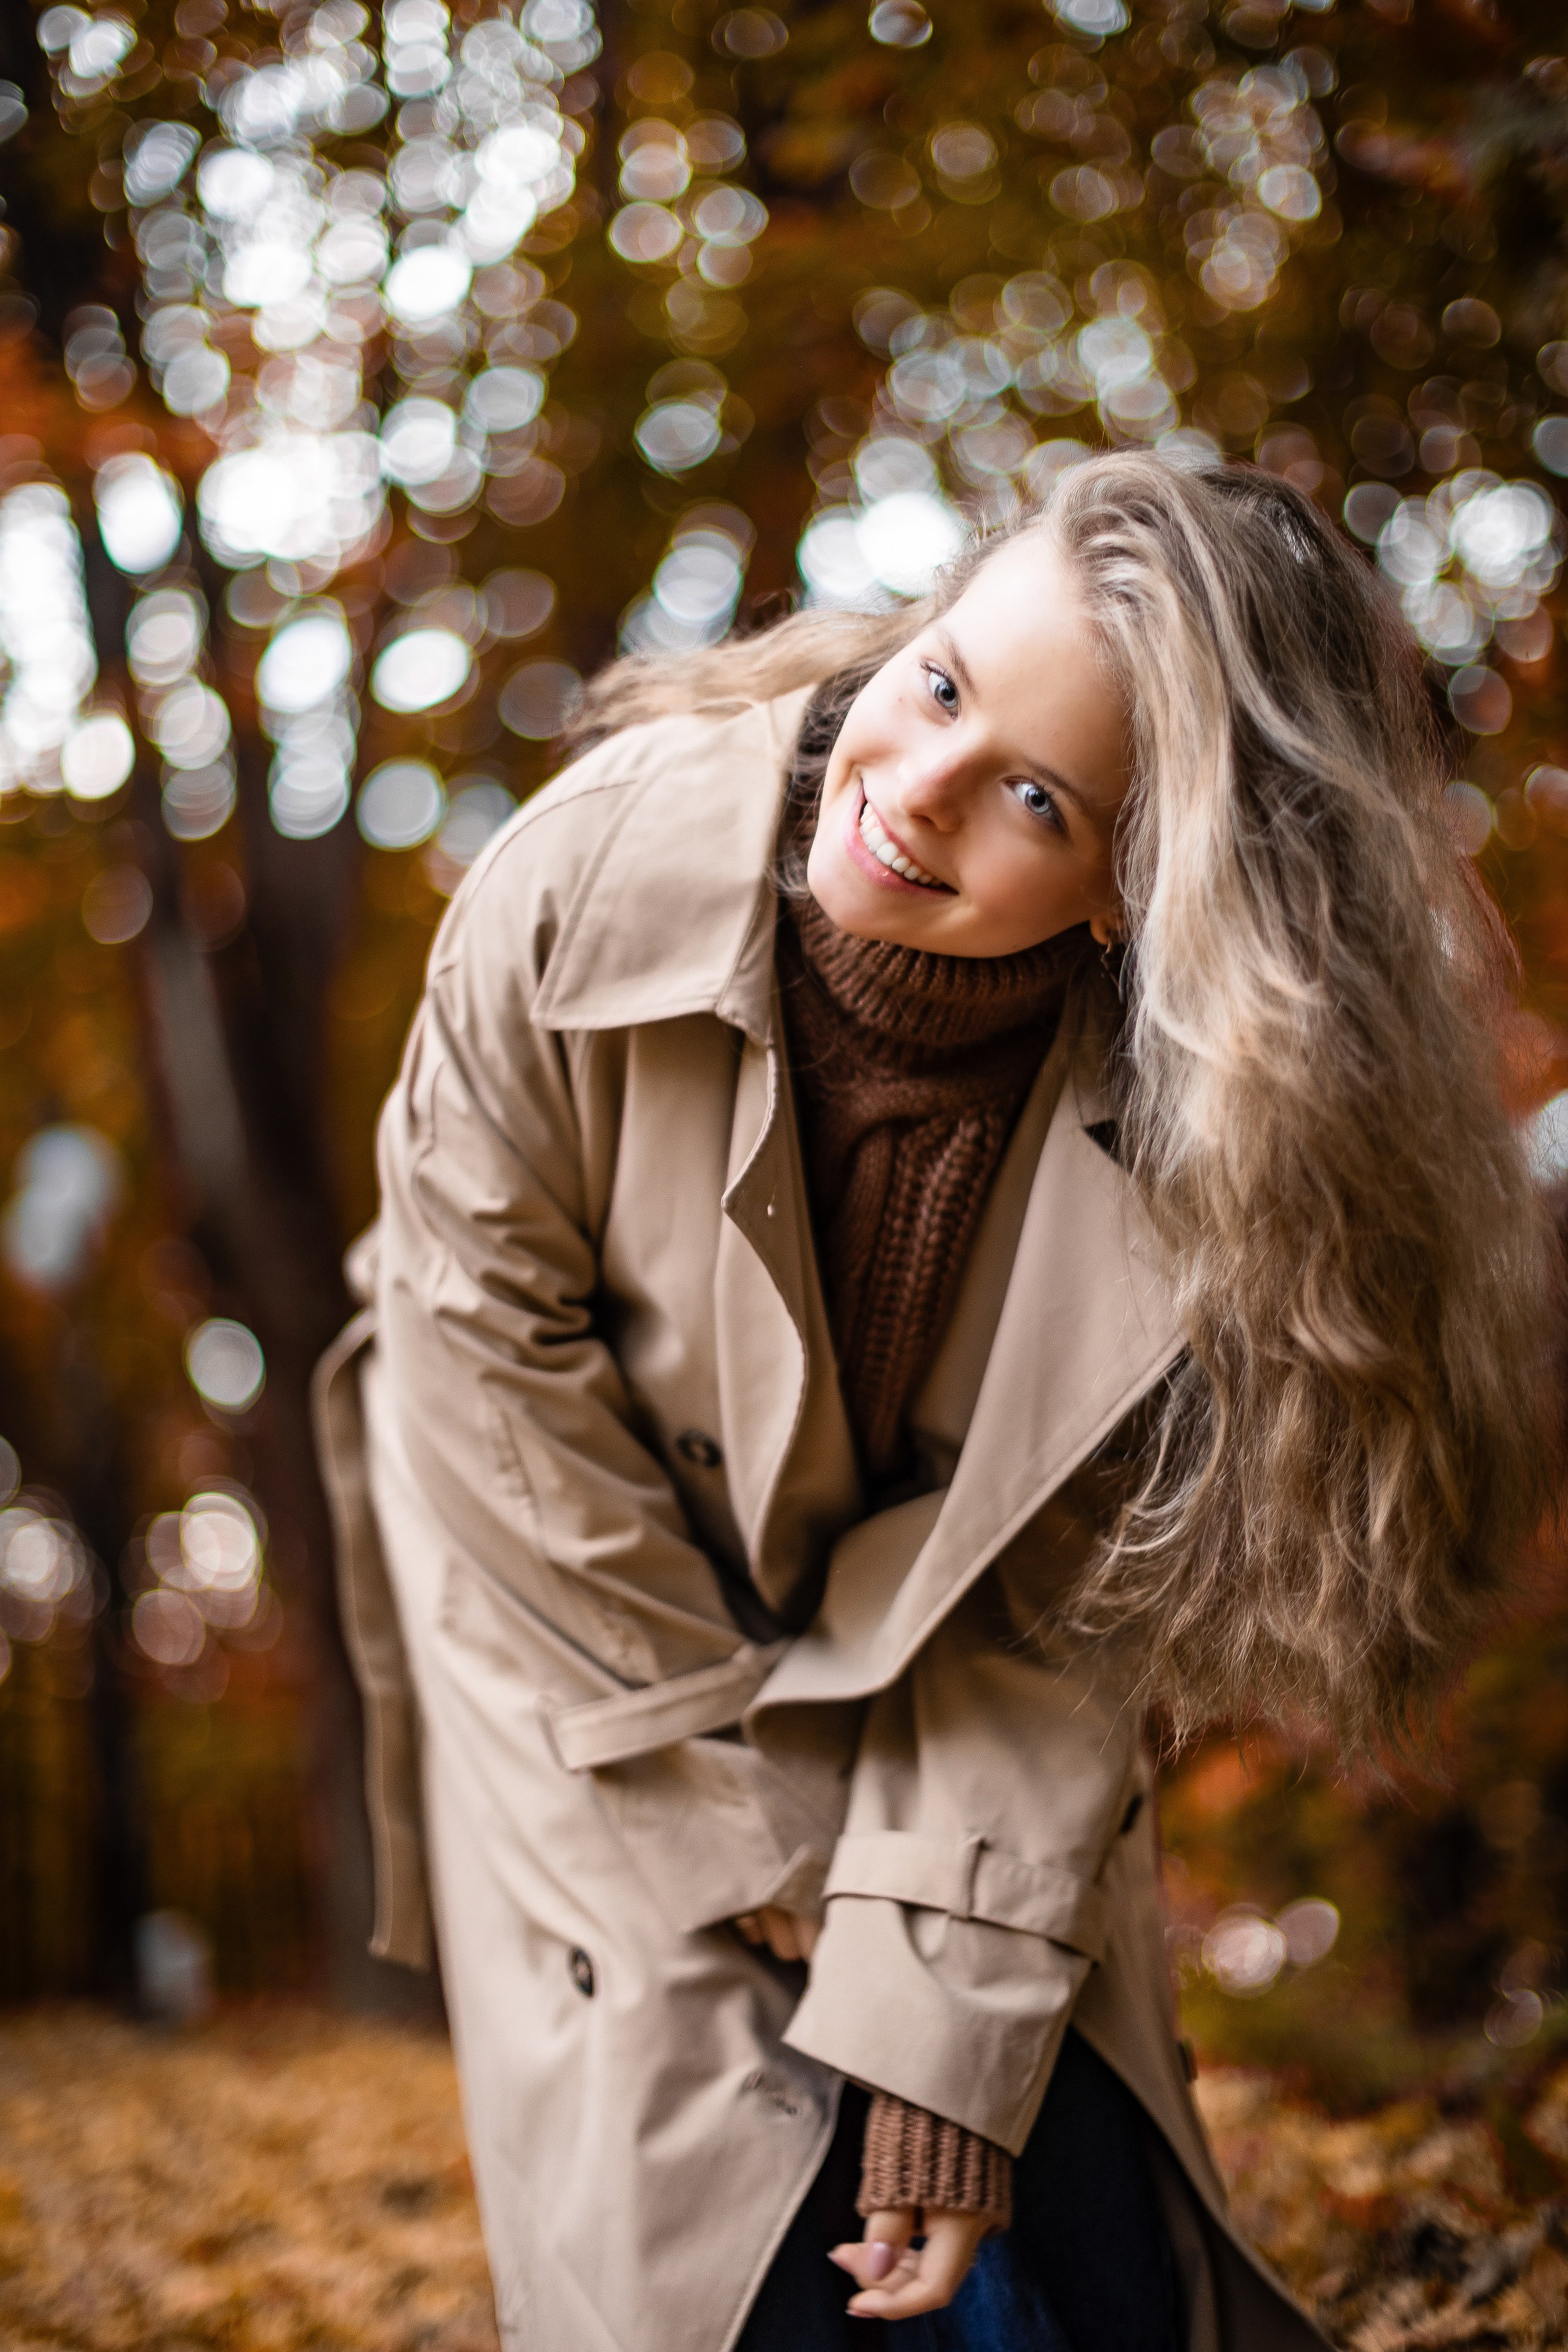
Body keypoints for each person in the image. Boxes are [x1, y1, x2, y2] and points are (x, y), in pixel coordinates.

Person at [315, 453, 1554, 2352]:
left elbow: (1074, 1599)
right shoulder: (578, 883)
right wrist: (766, 1858)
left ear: (1145, 896)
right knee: (736, 2251)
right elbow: (485, 1386)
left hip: (964, 1704)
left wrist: (936, 1998)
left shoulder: (1230, 1160)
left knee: (1069, 2255)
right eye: (944, 681)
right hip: (579, 1633)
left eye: (1037, 798)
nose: (916, 789)